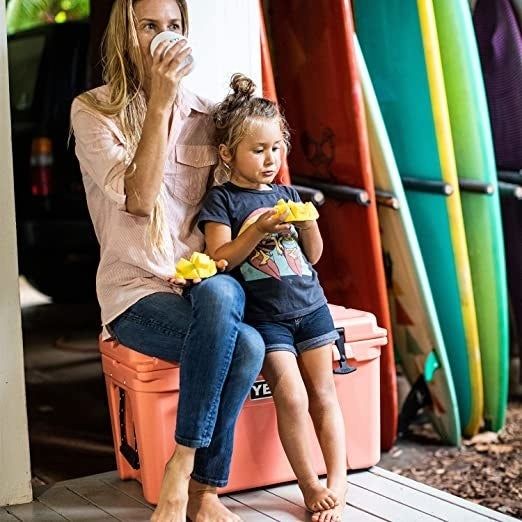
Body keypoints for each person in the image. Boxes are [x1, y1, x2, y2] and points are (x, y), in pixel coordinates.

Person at [70, 2, 265, 521]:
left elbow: (233, 202)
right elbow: (138, 199)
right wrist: (159, 104)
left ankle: (183, 470)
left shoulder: (207, 115)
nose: (164, 38)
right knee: (244, 346)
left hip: (200, 286)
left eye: (174, 27)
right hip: (135, 293)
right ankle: (202, 491)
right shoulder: (92, 112)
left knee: (226, 297)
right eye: (149, 26)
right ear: (123, 36)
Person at [198, 74, 348, 522]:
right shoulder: (221, 201)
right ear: (228, 154)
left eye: (276, 148)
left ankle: (338, 481)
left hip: (312, 308)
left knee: (324, 393)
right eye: (257, 150)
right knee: (292, 395)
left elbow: (314, 257)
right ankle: (309, 485)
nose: (269, 159)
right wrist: (258, 229)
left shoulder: (287, 193)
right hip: (268, 320)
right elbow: (219, 259)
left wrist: (308, 221)